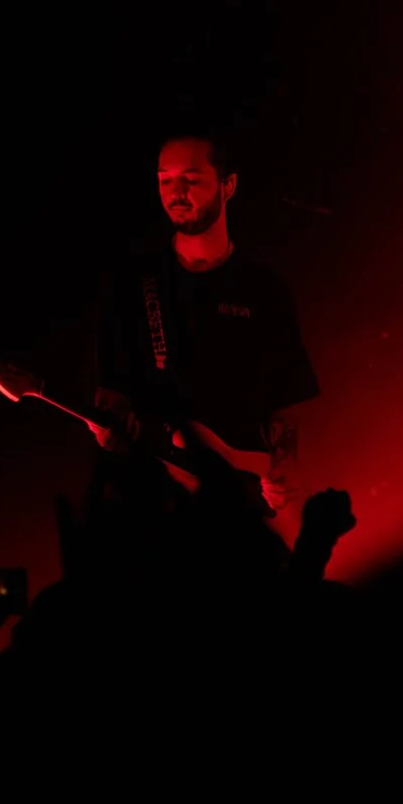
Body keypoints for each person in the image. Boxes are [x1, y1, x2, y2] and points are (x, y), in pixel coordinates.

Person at [89, 134, 322, 530]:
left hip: (242, 510)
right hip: (152, 510)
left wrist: (284, 464)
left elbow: (286, 400)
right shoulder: (133, 283)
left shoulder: (265, 290)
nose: (175, 193)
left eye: (191, 179)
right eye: (165, 180)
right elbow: (111, 392)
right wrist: (109, 430)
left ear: (228, 185)